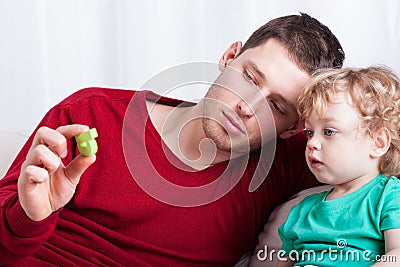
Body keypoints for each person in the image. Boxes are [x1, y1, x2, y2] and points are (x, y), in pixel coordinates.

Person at [0, 13, 344, 266]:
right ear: (229, 57)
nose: (246, 107)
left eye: (274, 105)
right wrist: (29, 215)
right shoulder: (92, 114)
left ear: (293, 127)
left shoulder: (292, 161)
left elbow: (383, 153)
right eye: (250, 78)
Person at [277, 66, 400, 267]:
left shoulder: (389, 196)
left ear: (377, 142)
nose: (311, 143)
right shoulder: (301, 211)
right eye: (309, 132)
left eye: (329, 132)